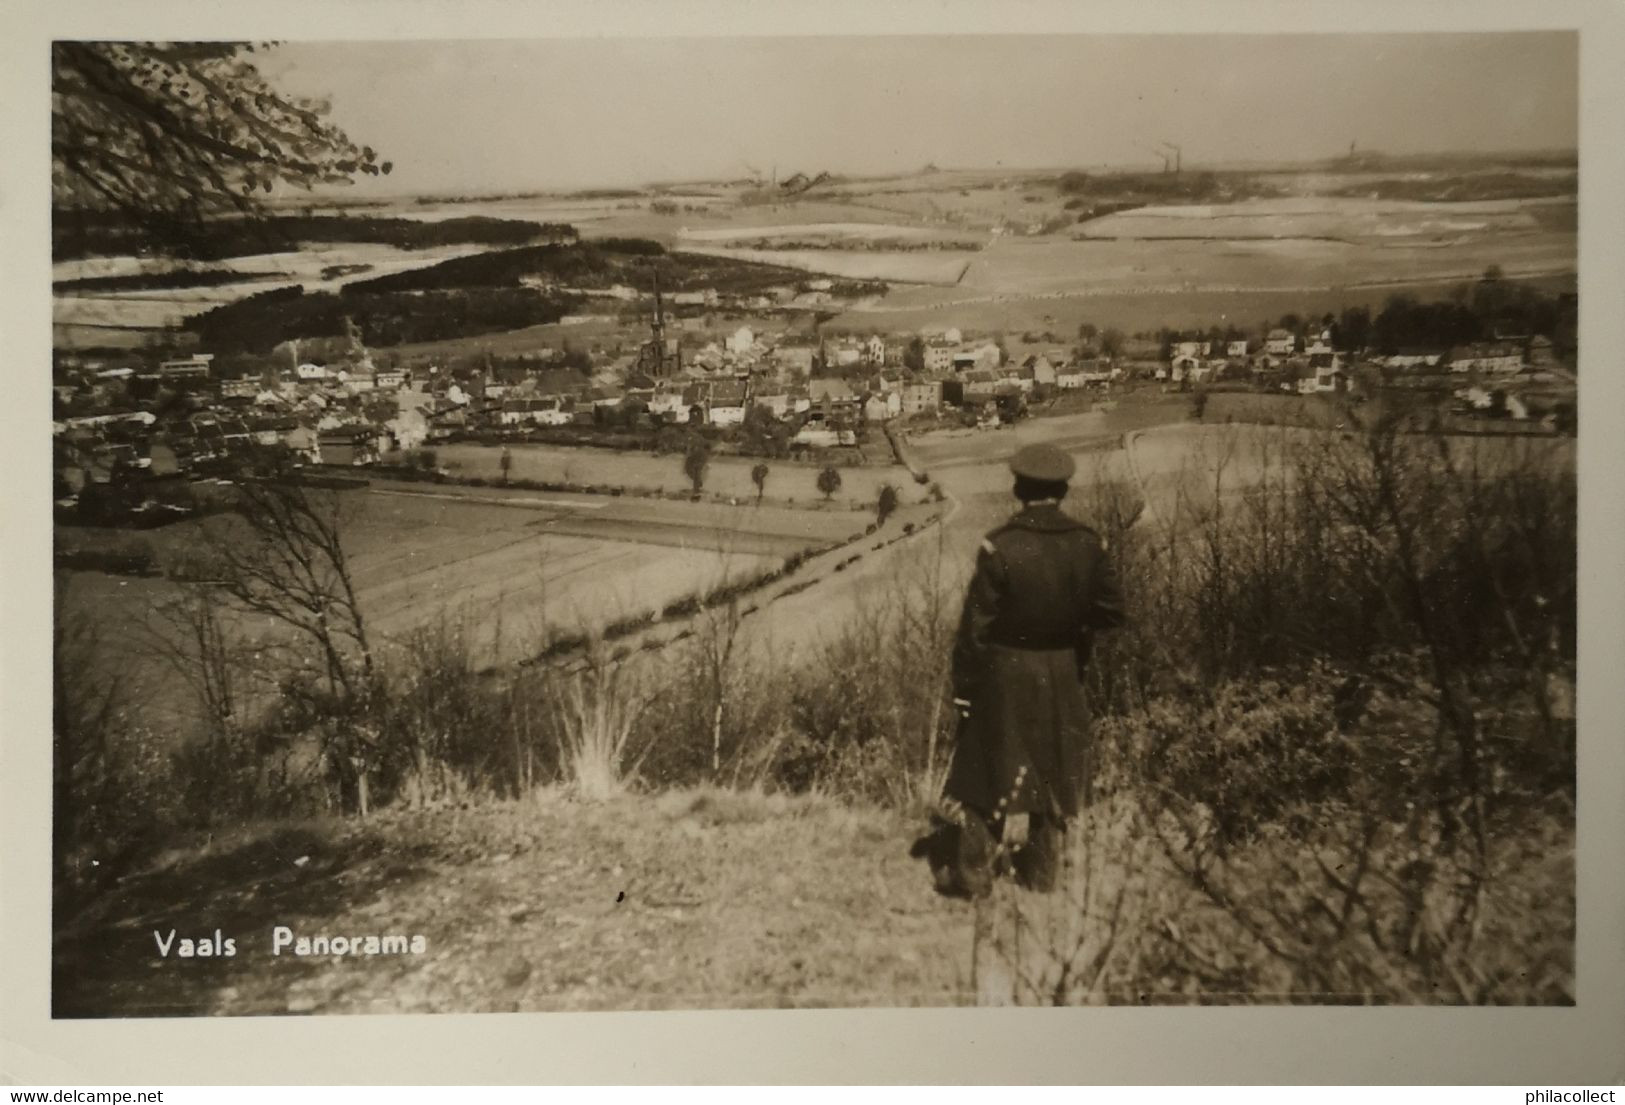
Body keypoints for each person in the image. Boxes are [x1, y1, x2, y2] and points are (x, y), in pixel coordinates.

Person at [935, 442, 1126, 896]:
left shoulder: (1000, 546)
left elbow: (974, 629)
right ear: (1062, 489)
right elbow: (1113, 612)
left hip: (1004, 670)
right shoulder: (1089, 544)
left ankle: (974, 879)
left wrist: (965, 689)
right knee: (1054, 770)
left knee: (984, 771)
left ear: (1019, 488)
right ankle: (1042, 877)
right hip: (1063, 670)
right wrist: (1071, 630)